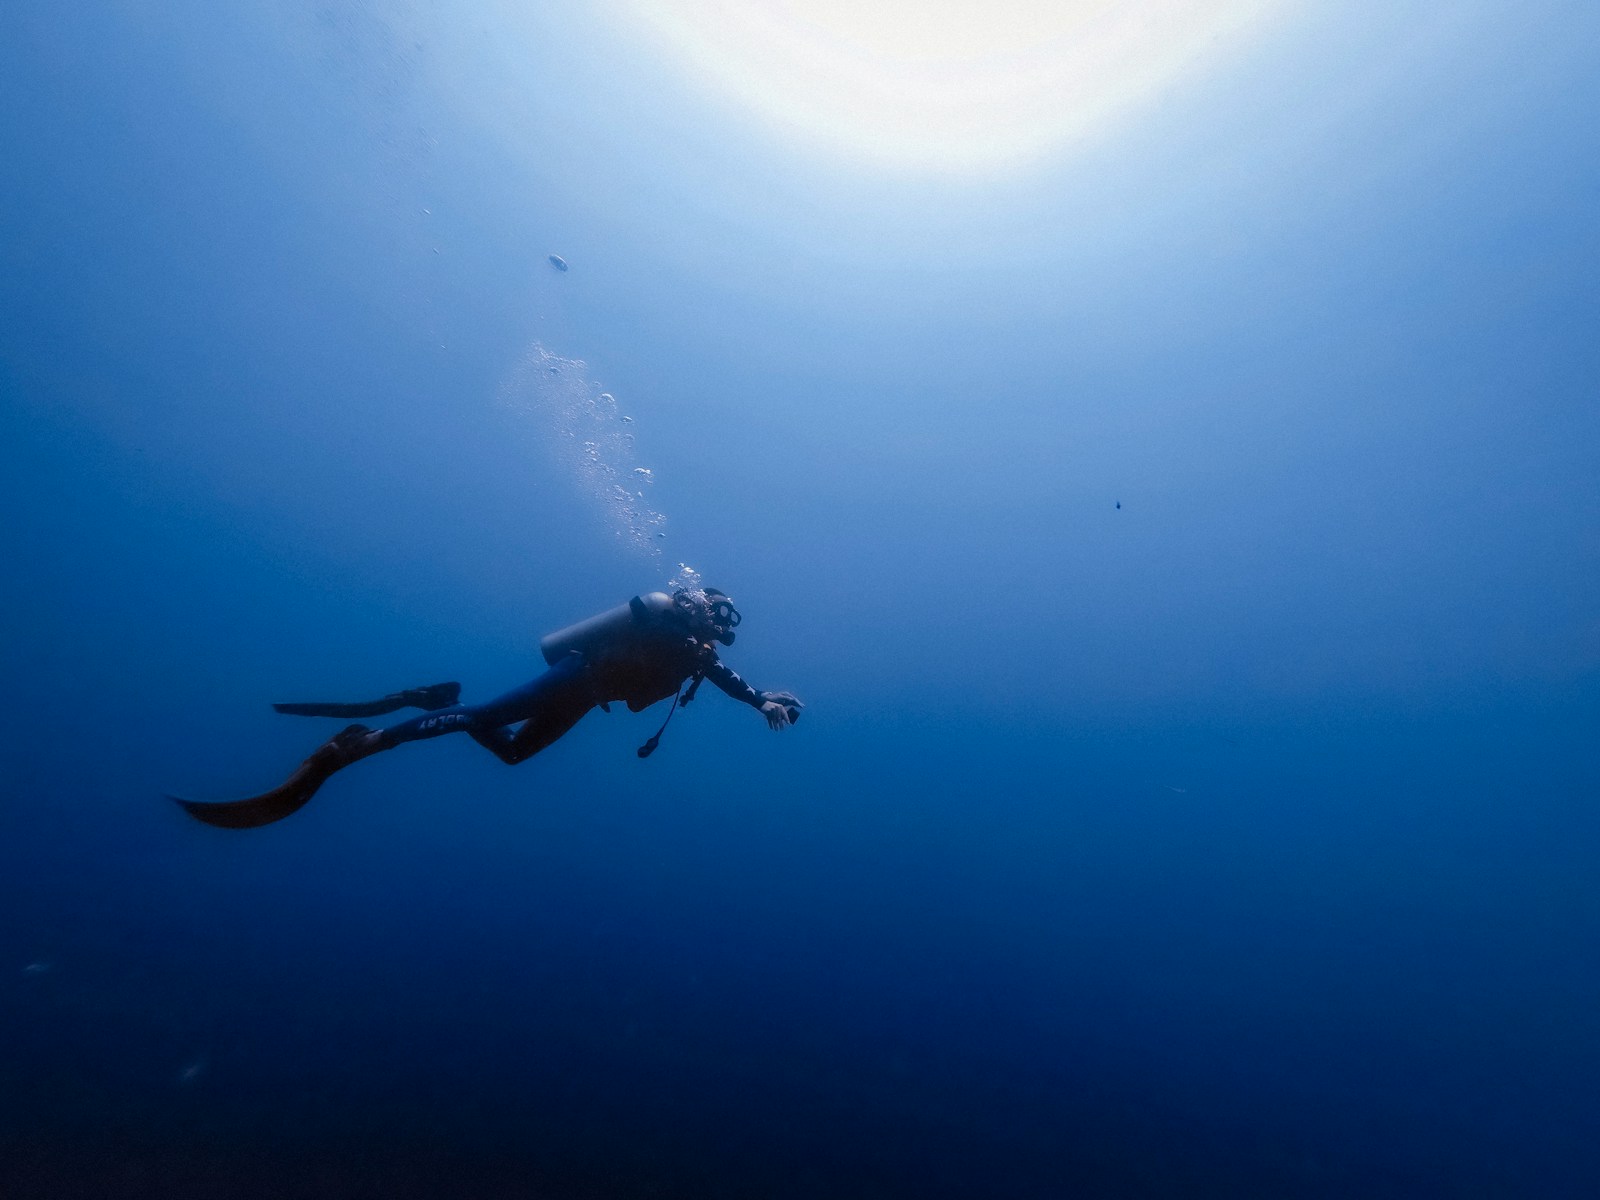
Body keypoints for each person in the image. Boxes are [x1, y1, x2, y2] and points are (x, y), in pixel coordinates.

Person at [172, 587, 803, 829]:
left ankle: (442, 699)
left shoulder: (699, 654)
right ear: (698, 607)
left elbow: (726, 679)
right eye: (710, 620)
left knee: (510, 753)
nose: (714, 635)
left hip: (589, 699)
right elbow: (647, 617)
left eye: (719, 629)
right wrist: (674, 615)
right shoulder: (667, 619)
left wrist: (761, 701)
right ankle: (357, 745)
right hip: (578, 673)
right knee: (483, 722)